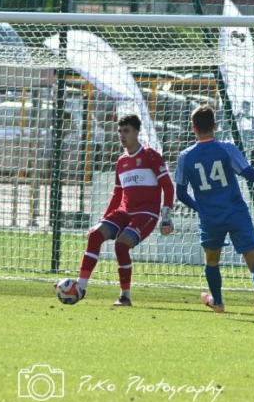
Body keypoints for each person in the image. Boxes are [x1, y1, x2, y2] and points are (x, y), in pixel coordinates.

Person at [174, 105, 254, 323]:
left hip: (211, 219)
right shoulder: (226, 148)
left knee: (212, 262)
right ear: (214, 126)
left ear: (193, 128)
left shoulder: (185, 157)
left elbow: (180, 193)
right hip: (236, 213)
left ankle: (217, 301)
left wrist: (200, 208)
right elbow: (250, 175)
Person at [62, 114, 175, 307]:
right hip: (124, 212)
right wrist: (105, 218)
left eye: (127, 131)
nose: (122, 135)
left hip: (146, 214)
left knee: (121, 245)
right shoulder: (121, 161)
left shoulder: (150, 155)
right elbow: (117, 194)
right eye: (120, 131)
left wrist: (166, 216)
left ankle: (125, 296)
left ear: (137, 132)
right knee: (95, 235)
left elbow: (168, 186)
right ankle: (80, 287)